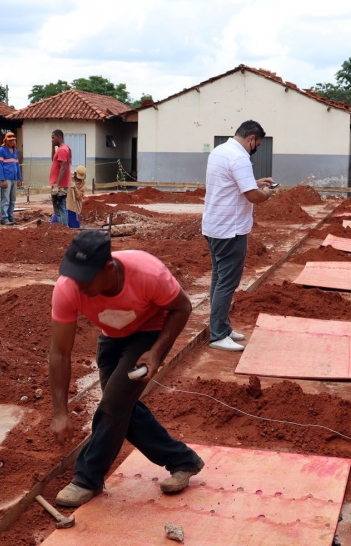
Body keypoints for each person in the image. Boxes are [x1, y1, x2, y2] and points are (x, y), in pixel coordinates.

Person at [49, 230, 204, 507]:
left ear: (108, 268)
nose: (78, 285)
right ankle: (183, 460)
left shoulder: (148, 273)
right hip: (111, 336)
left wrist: (156, 353)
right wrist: (60, 411)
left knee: (112, 406)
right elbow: (60, 352)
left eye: (85, 279)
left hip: (150, 333)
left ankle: (87, 478)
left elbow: (182, 307)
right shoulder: (68, 287)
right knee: (123, 408)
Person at [201, 120, 275, 352]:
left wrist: (255, 183)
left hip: (214, 226)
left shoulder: (220, 151)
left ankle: (220, 326)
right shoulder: (240, 157)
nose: (256, 149)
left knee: (218, 279)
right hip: (230, 230)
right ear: (252, 138)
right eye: (258, 145)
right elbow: (254, 197)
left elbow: (231, 184)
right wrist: (267, 193)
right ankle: (218, 335)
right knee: (227, 283)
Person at [0, 131, 22, 226]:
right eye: (10, 140)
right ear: (5, 141)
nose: (12, 142)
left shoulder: (15, 151)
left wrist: (19, 178)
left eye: (13, 140)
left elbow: (17, 165)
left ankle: (11, 217)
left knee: (12, 199)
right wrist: (2, 179)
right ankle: (4, 218)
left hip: (14, 178)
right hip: (6, 178)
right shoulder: (1, 150)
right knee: (5, 199)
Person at [50, 130, 72, 225]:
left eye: (53, 138)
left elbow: (63, 168)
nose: (52, 140)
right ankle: (63, 229)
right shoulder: (63, 148)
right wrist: (52, 147)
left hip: (59, 184)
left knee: (60, 207)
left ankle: (63, 229)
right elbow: (53, 160)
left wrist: (57, 185)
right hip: (59, 183)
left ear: (59, 137)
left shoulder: (63, 150)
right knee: (59, 207)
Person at [65, 164, 86, 229]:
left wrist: (75, 188)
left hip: (75, 209)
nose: (79, 179)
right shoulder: (69, 177)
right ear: (75, 173)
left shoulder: (83, 184)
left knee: (75, 228)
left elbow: (79, 197)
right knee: (55, 223)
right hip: (66, 206)